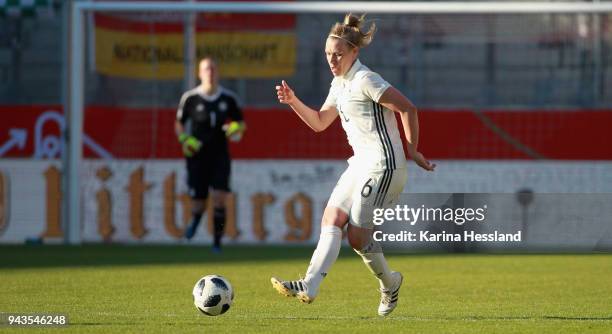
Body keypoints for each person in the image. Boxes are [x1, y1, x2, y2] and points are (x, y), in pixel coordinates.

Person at [270, 14, 435, 316]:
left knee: (357, 237)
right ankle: (309, 284)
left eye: (338, 54)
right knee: (331, 218)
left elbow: (407, 108)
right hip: (360, 165)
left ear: (354, 53)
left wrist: (412, 149)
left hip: (385, 167)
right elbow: (320, 123)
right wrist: (293, 101)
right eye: (328, 55)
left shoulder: (365, 80)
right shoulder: (339, 84)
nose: (332, 60)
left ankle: (390, 284)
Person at [175, 57, 246, 252]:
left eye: (213, 69)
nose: (210, 72)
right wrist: (184, 139)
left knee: (219, 198)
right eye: (206, 69)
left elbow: (241, 124)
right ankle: (196, 219)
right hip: (197, 157)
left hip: (220, 156)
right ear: (199, 73)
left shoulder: (228, 99)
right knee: (199, 202)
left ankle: (217, 243)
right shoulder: (190, 98)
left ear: (218, 72)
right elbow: (179, 123)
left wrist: (235, 128)